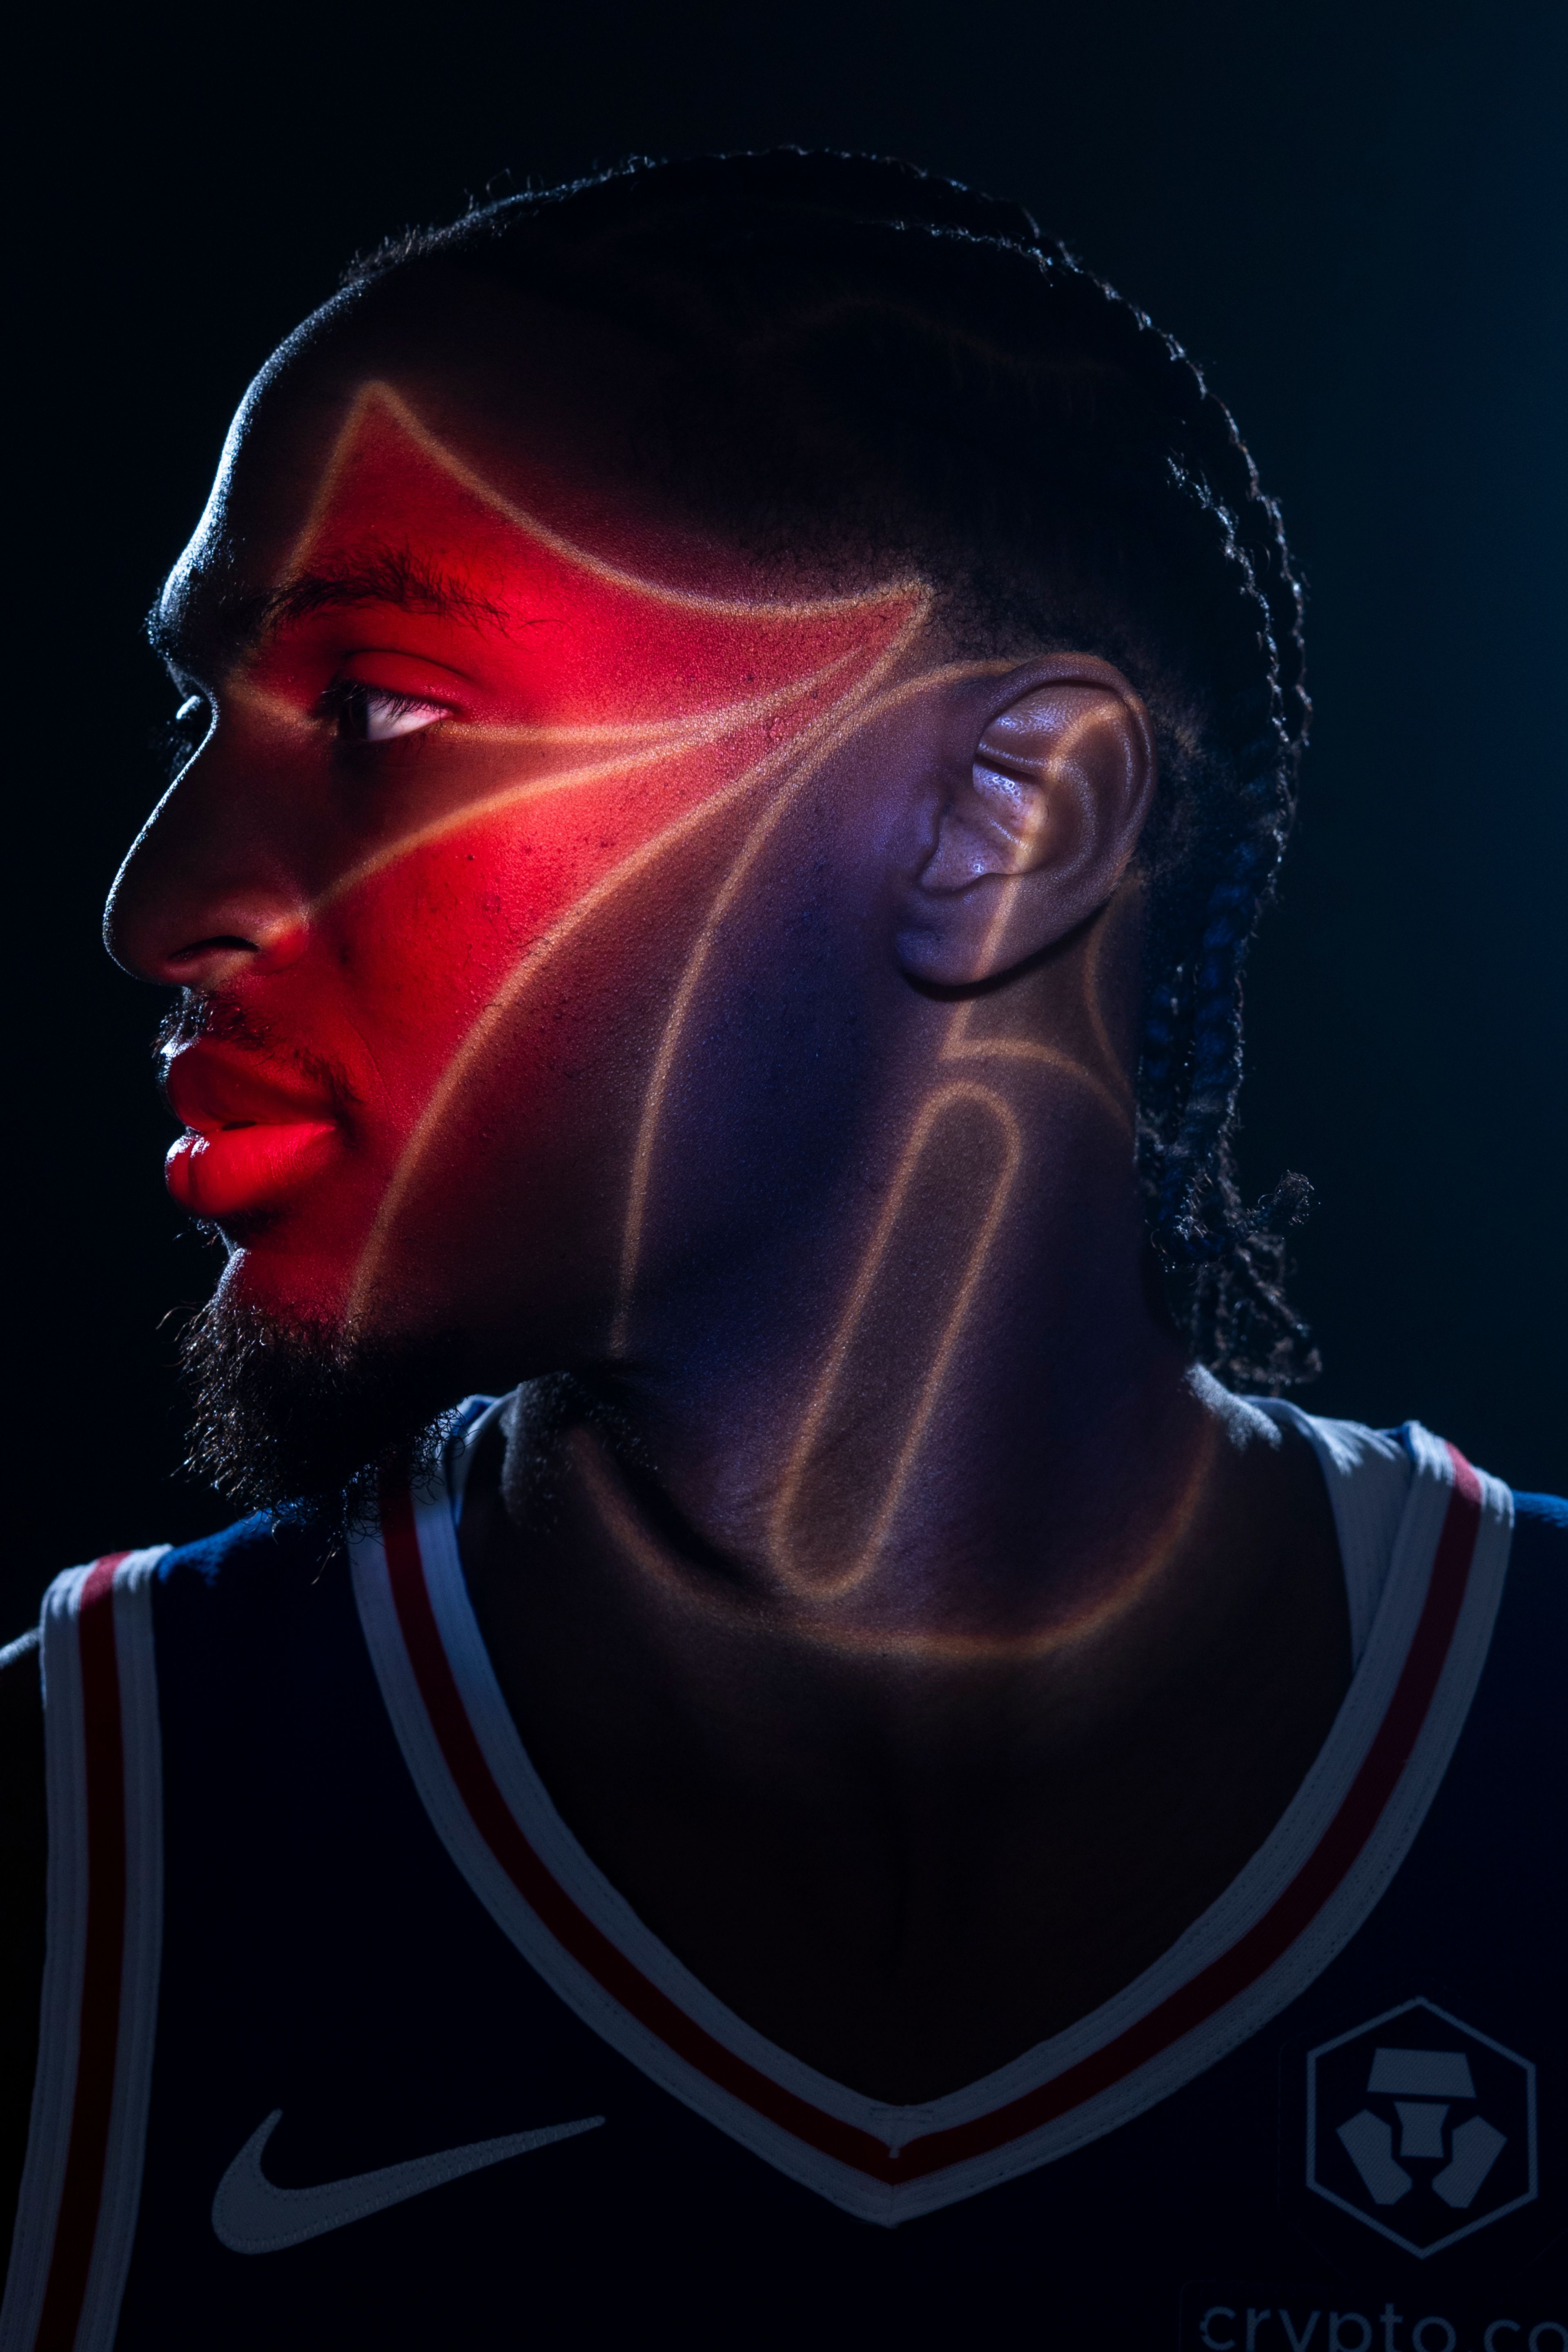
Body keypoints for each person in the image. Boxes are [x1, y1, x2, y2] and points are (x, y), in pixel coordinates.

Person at [0, 151, 1560, 2351]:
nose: (161, 901)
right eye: (205, 721)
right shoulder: (84, 1843)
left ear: (1003, 824)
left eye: (380, 712)